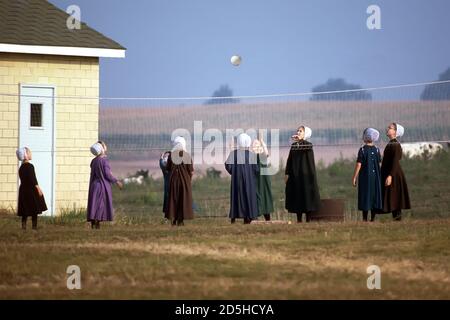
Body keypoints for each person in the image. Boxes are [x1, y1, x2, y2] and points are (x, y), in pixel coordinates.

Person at [285, 126, 320, 222]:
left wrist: (300, 141)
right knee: (297, 197)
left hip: (306, 176)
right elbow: (290, 160)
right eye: (298, 130)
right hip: (295, 177)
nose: (298, 132)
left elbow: (307, 148)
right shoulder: (294, 146)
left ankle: (308, 220)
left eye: (301, 131)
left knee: (307, 197)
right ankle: (299, 220)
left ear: (305, 134)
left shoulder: (308, 145)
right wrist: (287, 173)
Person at [87, 141, 123, 229]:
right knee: (100, 205)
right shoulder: (104, 161)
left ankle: (93, 222)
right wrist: (116, 181)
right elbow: (107, 174)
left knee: (94, 204)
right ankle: (97, 223)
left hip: (94, 186)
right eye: (103, 145)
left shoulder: (94, 161)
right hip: (101, 186)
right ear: (102, 149)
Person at [225, 133, 259, 224]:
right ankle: (248, 218)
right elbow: (256, 169)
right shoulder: (251, 155)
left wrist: (234, 173)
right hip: (249, 182)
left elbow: (228, 166)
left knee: (237, 197)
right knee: (248, 197)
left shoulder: (233, 154)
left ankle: (234, 218)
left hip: (236, 181)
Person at [380, 123, 411, 221]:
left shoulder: (396, 144)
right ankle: (396, 219)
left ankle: (398, 219)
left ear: (395, 132)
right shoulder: (390, 143)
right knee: (393, 197)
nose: (388, 129)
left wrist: (390, 176)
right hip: (390, 173)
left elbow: (395, 161)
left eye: (390, 128)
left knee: (395, 197)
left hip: (394, 174)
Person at [351, 128, 383, 222]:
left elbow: (359, 164)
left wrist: (354, 177)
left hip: (365, 177)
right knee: (374, 196)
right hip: (376, 177)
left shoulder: (362, 150)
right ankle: (372, 219)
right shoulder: (377, 150)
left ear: (366, 136)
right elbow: (380, 164)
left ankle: (365, 219)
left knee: (365, 195)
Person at [16, 147, 47, 230]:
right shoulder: (30, 166)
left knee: (24, 210)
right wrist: (38, 188)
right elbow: (33, 179)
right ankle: (34, 227)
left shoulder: (21, 167)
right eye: (29, 152)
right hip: (31, 190)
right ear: (26, 155)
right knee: (34, 209)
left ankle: (23, 227)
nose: (31, 154)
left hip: (23, 190)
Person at [167, 137, 194, 226]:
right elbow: (190, 170)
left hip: (173, 181)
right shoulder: (186, 155)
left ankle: (173, 219)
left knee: (174, 199)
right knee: (183, 199)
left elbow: (168, 168)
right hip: (184, 181)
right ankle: (181, 220)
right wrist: (189, 179)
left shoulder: (171, 155)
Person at [252, 135, 274, 221]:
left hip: (264, 181)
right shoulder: (252, 157)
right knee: (256, 198)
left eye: (257, 146)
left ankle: (267, 219)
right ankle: (255, 218)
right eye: (254, 146)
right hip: (255, 181)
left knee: (265, 197)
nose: (255, 147)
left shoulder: (263, 156)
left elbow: (267, 154)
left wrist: (262, 143)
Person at [159, 151, 171, 218]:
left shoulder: (164, 167)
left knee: (167, 200)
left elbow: (161, 162)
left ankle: (167, 215)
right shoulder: (173, 166)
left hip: (167, 185)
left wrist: (162, 155)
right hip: (173, 185)